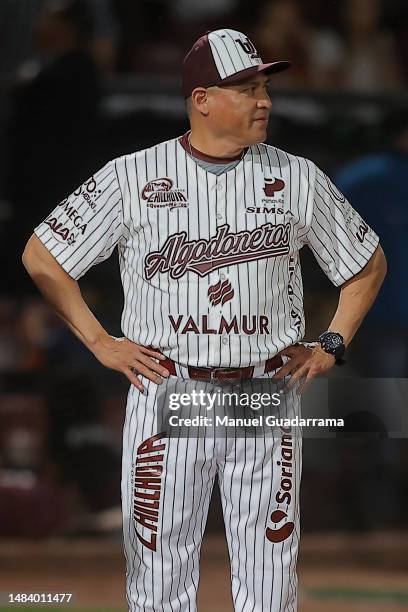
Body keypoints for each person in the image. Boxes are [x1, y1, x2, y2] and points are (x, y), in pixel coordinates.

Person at [22, 28, 386, 611]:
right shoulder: (133, 175)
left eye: (265, 87)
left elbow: (366, 265)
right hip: (171, 386)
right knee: (158, 576)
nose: (264, 99)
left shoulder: (297, 176)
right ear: (203, 100)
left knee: (270, 579)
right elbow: (43, 255)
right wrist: (100, 342)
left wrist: (332, 340)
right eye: (247, 88)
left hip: (265, 389)